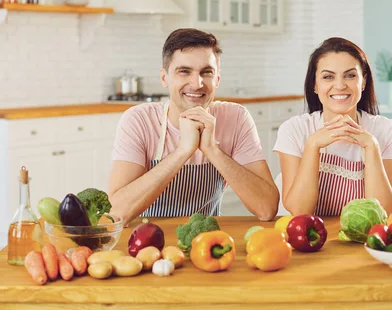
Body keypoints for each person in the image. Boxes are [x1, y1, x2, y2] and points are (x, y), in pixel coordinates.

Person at [108, 28, 279, 225]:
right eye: (184, 71)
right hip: (146, 243)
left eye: (206, 72)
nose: (197, 83)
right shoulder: (139, 120)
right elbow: (117, 212)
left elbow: (266, 209)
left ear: (217, 79)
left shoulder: (235, 117)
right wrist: (183, 151)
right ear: (165, 78)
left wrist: (212, 150)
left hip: (207, 241)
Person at [273, 37, 392, 216]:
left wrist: (372, 147)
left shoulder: (388, 131)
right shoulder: (294, 130)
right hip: (306, 236)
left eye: (350, 75)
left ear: (364, 82)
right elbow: (299, 210)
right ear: (315, 84)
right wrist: (312, 145)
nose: (340, 85)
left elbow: (383, 211)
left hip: (360, 238)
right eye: (328, 77)